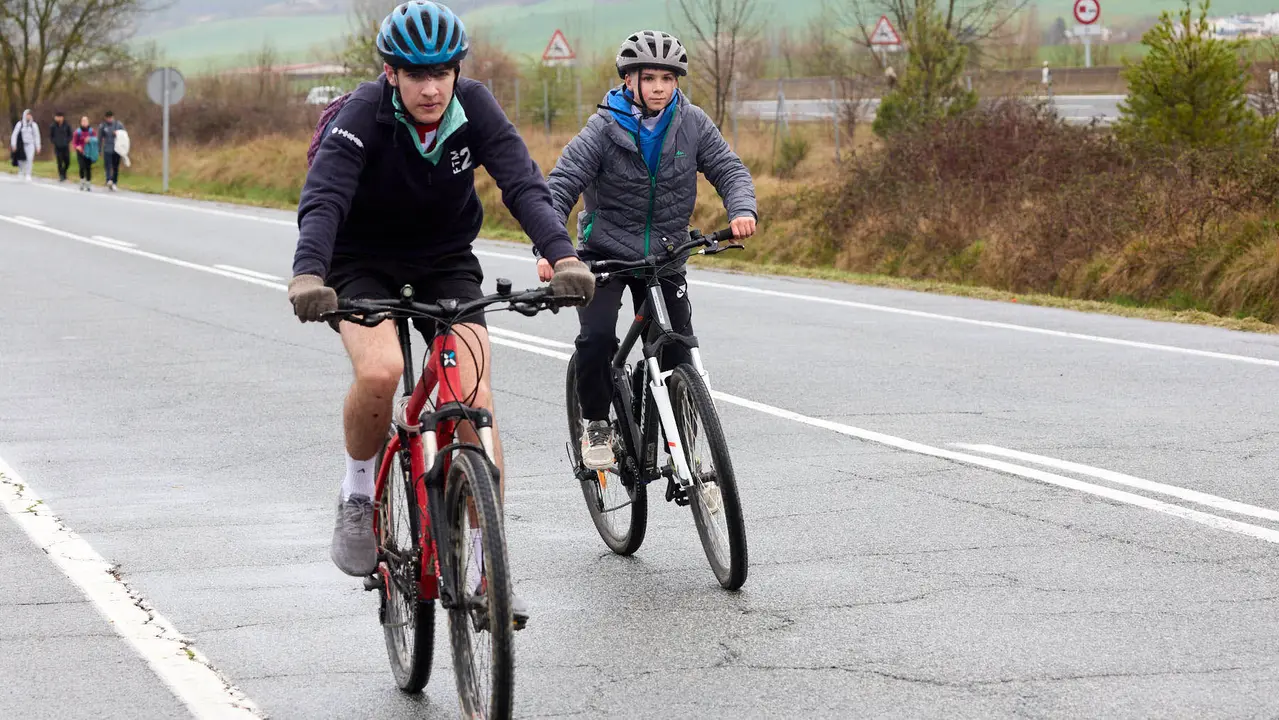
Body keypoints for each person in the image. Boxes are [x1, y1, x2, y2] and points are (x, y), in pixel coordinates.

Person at [287, 0, 595, 625]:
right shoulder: (360, 117)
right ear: (390, 73)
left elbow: (522, 183)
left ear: (457, 71)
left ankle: (487, 569)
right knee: (381, 372)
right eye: (414, 74)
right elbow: (324, 197)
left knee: (473, 404)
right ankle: (356, 493)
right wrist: (308, 273)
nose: (430, 88)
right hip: (360, 261)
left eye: (442, 73)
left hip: (445, 260)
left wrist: (562, 256)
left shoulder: (474, 107)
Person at [542, 30, 757, 470]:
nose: (659, 87)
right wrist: (549, 248)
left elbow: (729, 168)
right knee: (598, 338)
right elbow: (561, 185)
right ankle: (597, 423)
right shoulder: (603, 128)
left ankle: (687, 443)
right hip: (606, 253)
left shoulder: (692, 123)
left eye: (667, 78)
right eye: (650, 78)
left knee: (677, 347)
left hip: (666, 254)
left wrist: (741, 208)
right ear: (629, 81)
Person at [9, 109, 40, 182]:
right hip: (21, 144)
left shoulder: (34, 125)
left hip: (31, 144)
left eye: (29, 115)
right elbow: (15, 134)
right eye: (27, 115)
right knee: (21, 159)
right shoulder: (20, 124)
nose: (28, 116)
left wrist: (38, 146)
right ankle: (21, 171)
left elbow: (37, 136)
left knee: (29, 159)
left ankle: (28, 174)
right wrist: (13, 144)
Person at [98, 110, 124, 190]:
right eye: (108, 118)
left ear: (113, 117)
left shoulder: (118, 124)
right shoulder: (102, 126)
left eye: (111, 118)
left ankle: (115, 182)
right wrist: (99, 149)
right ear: (105, 118)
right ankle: (108, 179)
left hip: (117, 149)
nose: (110, 119)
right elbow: (99, 138)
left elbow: (124, 135)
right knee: (107, 165)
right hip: (107, 149)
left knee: (115, 166)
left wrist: (118, 133)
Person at [72, 116, 98, 191]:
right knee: (81, 167)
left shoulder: (91, 131)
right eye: (83, 121)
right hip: (80, 152)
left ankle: (88, 183)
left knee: (88, 168)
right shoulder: (77, 132)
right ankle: (82, 181)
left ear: (88, 122)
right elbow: (74, 143)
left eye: (86, 121)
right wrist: (77, 147)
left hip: (89, 152)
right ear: (81, 122)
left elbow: (96, 140)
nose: (84, 123)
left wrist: (90, 139)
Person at [49, 111, 73, 182]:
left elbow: (70, 135)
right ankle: (61, 175)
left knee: (67, 161)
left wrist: (67, 141)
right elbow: (51, 136)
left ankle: (64, 171)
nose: (58, 119)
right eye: (57, 117)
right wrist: (55, 141)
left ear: (62, 118)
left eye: (60, 117)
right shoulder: (53, 126)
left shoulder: (67, 125)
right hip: (57, 146)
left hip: (65, 146)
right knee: (59, 161)